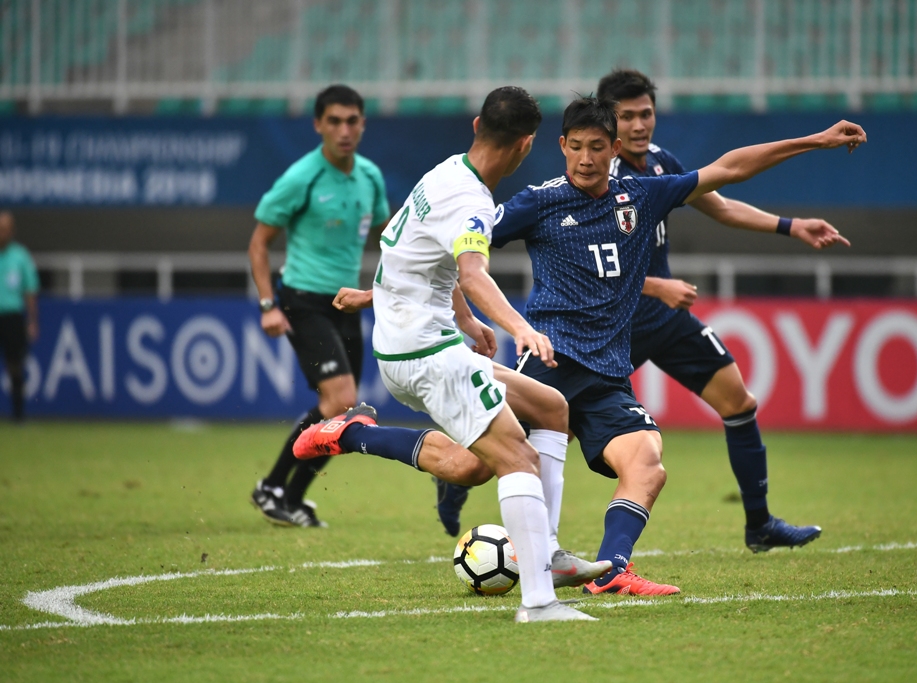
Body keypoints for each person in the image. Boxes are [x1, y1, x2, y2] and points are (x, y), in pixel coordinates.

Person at [490, 97, 866, 595]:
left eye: (597, 148)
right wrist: (425, 305)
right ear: (561, 146)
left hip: (605, 376)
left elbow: (728, 169)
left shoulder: (642, 195)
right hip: (549, 361)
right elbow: (461, 246)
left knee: (647, 462)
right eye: (576, 147)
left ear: (614, 148)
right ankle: (372, 442)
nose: (585, 158)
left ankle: (611, 571)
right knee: (474, 462)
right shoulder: (538, 202)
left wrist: (815, 140)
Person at [294, 86, 611, 622]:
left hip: (412, 343)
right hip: (427, 353)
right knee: (518, 460)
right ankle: (538, 602)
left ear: (476, 125)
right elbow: (471, 271)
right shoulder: (473, 202)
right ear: (527, 144)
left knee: (547, 411)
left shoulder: (444, 173)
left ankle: (548, 554)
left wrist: (462, 318)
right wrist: (517, 327)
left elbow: (407, 250)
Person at [597, 69, 840, 553]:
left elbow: (722, 207)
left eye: (646, 113)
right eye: (627, 117)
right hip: (614, 325)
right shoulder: (601, 180)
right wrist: (658, 285)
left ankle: (760, 524)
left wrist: (791, 227)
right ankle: (465, 466)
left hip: (664, 319)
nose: (640, 125)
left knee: (739, 403)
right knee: (550, 422)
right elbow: (595, 266)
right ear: (609, 123)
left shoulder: (662, 164)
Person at [247, 85, 391, 528]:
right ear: (318, 125)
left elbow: (391, 238)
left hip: (345, 305)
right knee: (342, 399)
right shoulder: (301, 177)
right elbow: (258, 244)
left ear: (363, 124)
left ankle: (289, 497)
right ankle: (272, 486)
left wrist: (386, 288)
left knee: (343, 410)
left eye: (352, 121)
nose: (344, 130)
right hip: (302, 299)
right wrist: (269, 304)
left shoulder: (369, 177)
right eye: (335, 121)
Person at [0, 211, 39, 422]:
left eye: (5, 229)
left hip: (13, 316)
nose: (1, 233)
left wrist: (32, 321)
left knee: (15, 365)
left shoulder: (20, 256)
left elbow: (30, 290)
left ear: (12, 231)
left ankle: (18, 415)